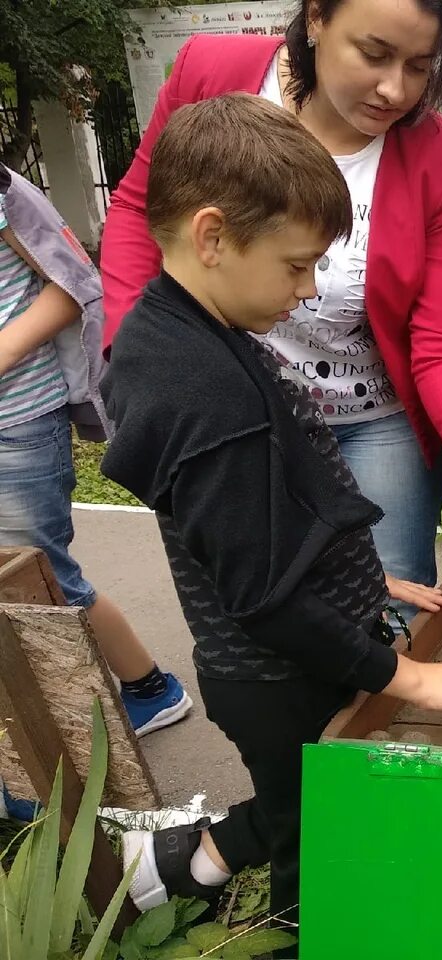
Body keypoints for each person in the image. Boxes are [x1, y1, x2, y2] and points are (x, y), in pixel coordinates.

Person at [102, 95, 442, 936]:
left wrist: (362, 574)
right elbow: (265, 594)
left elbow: (256, 528)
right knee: (317, 824)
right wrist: (410, 677)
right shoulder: (205, 393)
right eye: (296, 266)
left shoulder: (181, 332)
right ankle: (281, 923)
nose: (308, 291)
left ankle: (175, 872)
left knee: (303, 804)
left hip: (279, 649)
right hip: (274, 668)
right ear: (213, 237)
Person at [98, 0, 442, 615]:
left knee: (390, 606)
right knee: (259, 605)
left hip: (374, 418)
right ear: (316, 18)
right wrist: (135, 351)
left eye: (421, 66)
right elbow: (139, 207)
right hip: (232, 407)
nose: (395, 88)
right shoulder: (212, 74)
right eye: (373, 54)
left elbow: (441, 342)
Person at [0, 163, 191, 747]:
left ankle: (138, 698)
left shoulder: (5, 193)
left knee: (39, 583)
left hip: (17, 426)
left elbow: (73, 286)